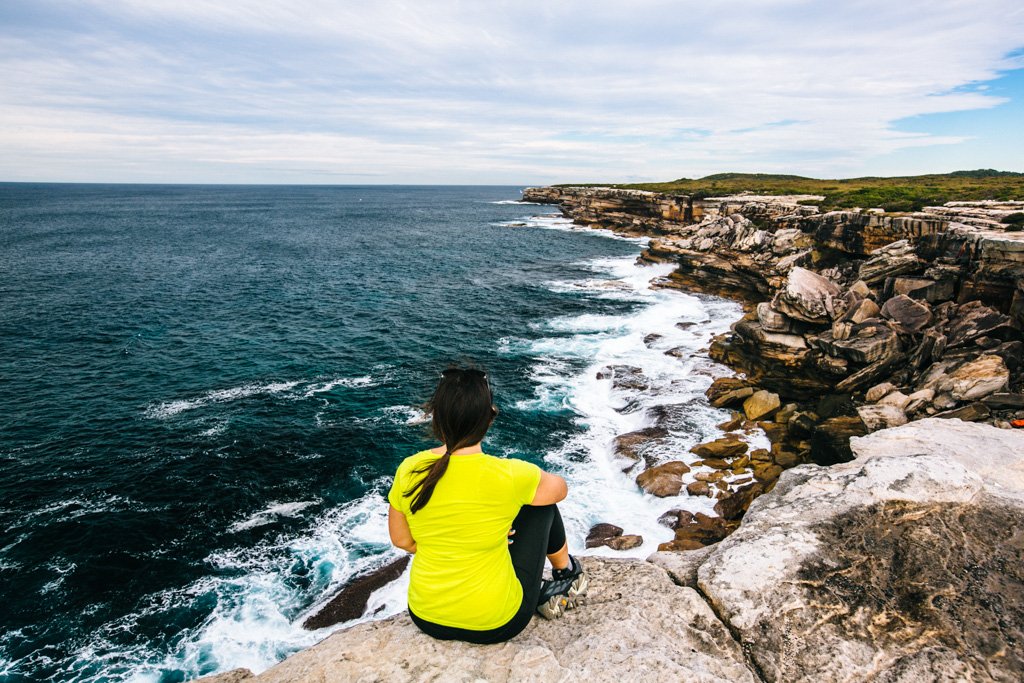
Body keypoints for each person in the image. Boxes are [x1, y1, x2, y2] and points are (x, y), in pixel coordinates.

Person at [387, 366, 588, 644]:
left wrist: (461, 538)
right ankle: (566, 574)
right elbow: (559, 490)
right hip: (496, 624)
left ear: (435, 417)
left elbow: (401, 540)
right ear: (490, 417)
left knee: (528, 501)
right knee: (541, 506)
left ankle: (557, 578)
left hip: (426, 617)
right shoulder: (509, 474)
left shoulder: (409, 469)